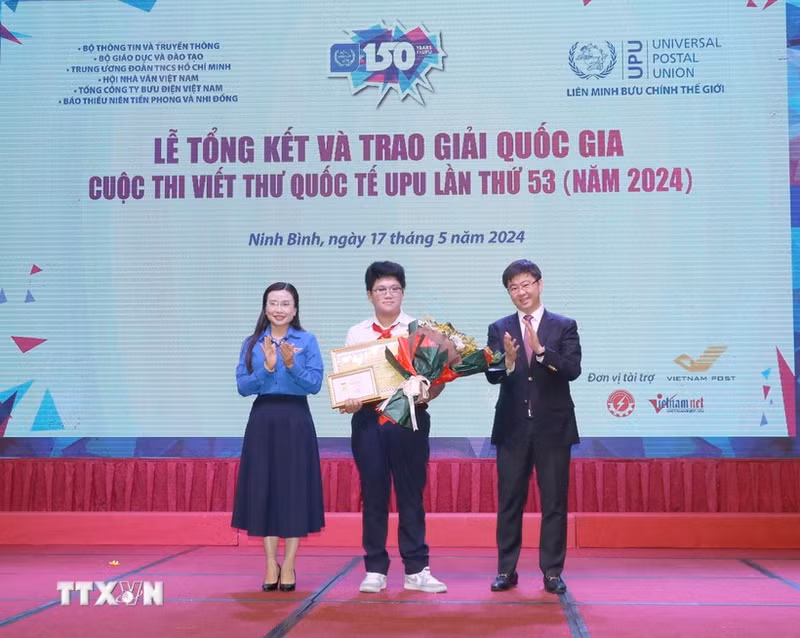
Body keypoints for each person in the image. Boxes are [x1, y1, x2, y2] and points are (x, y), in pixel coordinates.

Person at [339, 261, 447, 594]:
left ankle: (417, 569)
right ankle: (375, 569)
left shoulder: (420, 330)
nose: (388, 294)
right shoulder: (357, 333)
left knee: (411, 493)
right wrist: (350, 400)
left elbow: (439, 378)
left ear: (403, 292)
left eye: (394, 289)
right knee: (374, 493)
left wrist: (426, 389)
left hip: (410, 419)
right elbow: (348, 385)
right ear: (369, 294)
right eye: (381, 289)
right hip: (369, 420)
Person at [485, 259, 581, 595]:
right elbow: (492, 374)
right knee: (510, 500)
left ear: (539, 284)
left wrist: (541, 351)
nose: (521, 292)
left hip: (553, 428)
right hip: (512, 428)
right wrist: (508, 362)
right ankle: (506, 570)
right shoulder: (499, 328)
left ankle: (552, 572)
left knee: (554, 502)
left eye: (526, 284)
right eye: (513, 287)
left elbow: (572, 369)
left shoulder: (563, 325)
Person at [232, 282, 325, 592]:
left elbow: (314, 384)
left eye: (286, 303)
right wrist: (268, 369)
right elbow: (244, 387)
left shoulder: (307, 341)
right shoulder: (252, 343)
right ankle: (271, 563)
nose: (279, 309)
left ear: (295, 309)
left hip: (296, 419)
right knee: (265, 489)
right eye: (273, 303)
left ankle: (290, 565)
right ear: (265, 307)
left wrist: (290, 364)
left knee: (294, 490)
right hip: (263, 420)